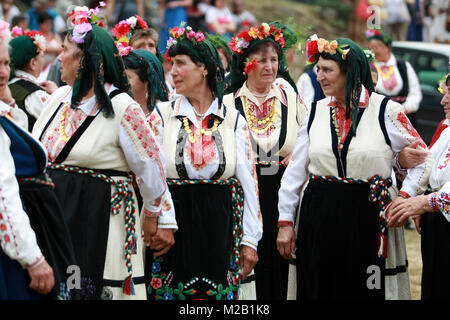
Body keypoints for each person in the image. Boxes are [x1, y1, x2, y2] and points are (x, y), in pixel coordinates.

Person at [31, 6, 176, 300]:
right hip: (58, 214)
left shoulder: (122, 107)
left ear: (87, 61)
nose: (58, 58)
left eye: (66, 51)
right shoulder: (59, 97)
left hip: (99, 216)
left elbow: (152, 166)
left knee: (90, 287)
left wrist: (151, 214)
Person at [277, 35, 433, 300]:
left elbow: (423, 158)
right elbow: (294, 174)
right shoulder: (314, 112)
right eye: (318, 70)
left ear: (349, 72)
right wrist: (285, 222)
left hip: (368, 214)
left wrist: (405, 196)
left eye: (327, 70)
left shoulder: (386, 111)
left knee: (365, 288)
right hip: (319, 212)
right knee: (320, 284)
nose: (320, 76)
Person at [147, 25, 262, 300]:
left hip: (220, 230)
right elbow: (151, 173)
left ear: (204, 69)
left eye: (180, 64)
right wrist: (164, 220)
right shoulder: (161, 116)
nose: (173, 71)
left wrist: (250, 240)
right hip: (173, 229)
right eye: (171, 64)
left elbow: (250, 185)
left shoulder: (234, 121)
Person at [224, 22, 307, 300]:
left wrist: (296, 156)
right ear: (245, 64)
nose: (269, 66)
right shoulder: (228, 103)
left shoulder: (290, 98)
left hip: (282, 190)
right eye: (260, 60)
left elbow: (308, 135)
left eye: (273, 60)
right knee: (249, 258)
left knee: (281, 258)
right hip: (244, 192)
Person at [0, 19, 77, 300]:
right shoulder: (36, 96)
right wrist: (32, 258)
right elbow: (3, 196)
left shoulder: (13, 98)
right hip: (23, 228)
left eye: (6, 63)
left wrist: (7, 100)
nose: (3, 72)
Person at [388, 74, 450, 299]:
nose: (443, 101)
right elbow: (429, 165)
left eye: (449, 94)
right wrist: (403, 160)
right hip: (438, 218)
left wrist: (425, 202)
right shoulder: (446, 128)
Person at [366, 28, 422, 130]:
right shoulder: (370, 68)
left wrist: (403, 110)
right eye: (370, 48)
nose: (372, 52)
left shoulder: (403, 66)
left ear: (386, 48)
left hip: (404, 118)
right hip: (379, 118)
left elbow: (415, 93)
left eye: (375, 47)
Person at [8, 28, 55, 132]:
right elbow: (57, 124)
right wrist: (57, 95)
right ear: (32, 63)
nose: (43, 60)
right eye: (42, 56)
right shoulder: (36, 94)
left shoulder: (6, 86)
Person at [37, 12, 62, 82]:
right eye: (46, 24)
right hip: (40, 67)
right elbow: (43, 48)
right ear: (40, 24)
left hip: (53, 67)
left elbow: (62, 50)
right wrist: (56, 49)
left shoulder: (55, 36)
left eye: (50, 24)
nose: (49, 26)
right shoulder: (36, 36)